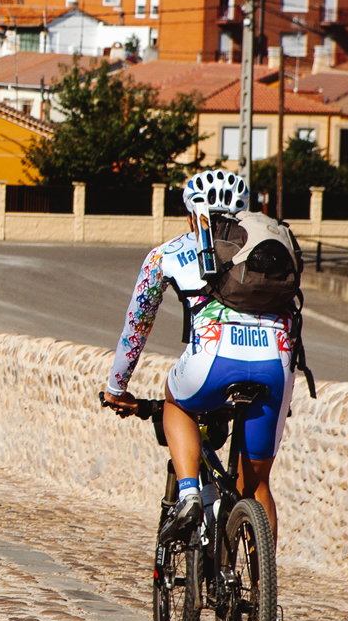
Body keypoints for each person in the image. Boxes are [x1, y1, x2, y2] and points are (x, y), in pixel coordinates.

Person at [102, 170, 296, 540]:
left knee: (176, 403)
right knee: (257, 486)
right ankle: (261, 574)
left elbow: (137, 325)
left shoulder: (167, 253)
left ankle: (189, 492)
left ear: (192, 214)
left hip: (211, 362)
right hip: (276, 364)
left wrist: (117, 387)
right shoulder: (266, 249)